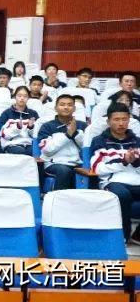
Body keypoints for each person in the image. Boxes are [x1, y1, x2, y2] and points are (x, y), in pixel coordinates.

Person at [91, 103, 140, 242]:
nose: (121, 123)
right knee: (122, 195)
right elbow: (97, 168)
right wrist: (123, 161)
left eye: (124, 119)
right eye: (116, 119)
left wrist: (136, 162)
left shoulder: (137, 141)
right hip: (112, 181)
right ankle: (123, 235)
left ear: (129, 120)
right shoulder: (100, 141)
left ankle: (138, 235)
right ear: (108, 121)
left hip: (136, 180)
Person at [37, 94, 86, 191]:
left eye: (69, 105)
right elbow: (47, 150)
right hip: (53, 163)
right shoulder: (47, 126)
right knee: (64, 171)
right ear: (56, 108)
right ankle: (58, 198)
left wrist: (75, 133)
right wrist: (67, 135)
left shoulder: (82, 125)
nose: (66, 107)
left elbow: (86, 147)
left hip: (77, 162)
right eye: (62, 104)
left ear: (74, 108)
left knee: (92, 171)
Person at [0, 86, 37, 155]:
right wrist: (17, 127)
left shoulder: (33, 114)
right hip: (11, 144)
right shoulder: (6, 113)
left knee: (33, 152)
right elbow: (3, 134)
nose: (22, 98)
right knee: (20, 152)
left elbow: (37, 134)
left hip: (28, 144)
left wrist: (31, 127)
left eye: (25, 96)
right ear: (15, 97)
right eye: (19, 96)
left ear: (28, 98)